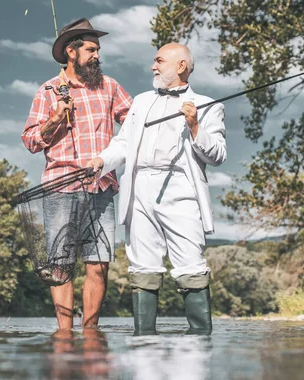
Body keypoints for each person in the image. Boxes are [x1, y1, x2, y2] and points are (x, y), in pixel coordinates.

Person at [86, 43, 227, 335]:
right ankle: (143, 343)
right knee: (142, 265)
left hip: (181, 188)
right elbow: (123, 144)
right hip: (139, 187)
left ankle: (200, 342)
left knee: (190, 262)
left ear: (181, 66)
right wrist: (102, 160)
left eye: (159, 61)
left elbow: (218, 155)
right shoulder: (139, 101)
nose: (153, 66)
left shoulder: (209, 105)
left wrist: (195, 126)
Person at [22, 17, 133, 330]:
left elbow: (138, 122)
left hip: (102, 188)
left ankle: (91, 334)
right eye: (91, 49)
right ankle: (65, 335)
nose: (97, 55)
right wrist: (56, 116)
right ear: (71, 52)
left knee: (99, 266)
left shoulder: (110, 86)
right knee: (61, 267)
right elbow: (30, 141)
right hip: (60, 189)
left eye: (98, 50)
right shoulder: (47, 91)